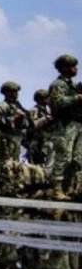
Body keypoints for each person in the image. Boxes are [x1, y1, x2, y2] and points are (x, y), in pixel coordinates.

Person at [47, 54, 80, 201]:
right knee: (63, 157)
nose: (76, 69)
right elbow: (58, 102)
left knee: (77, 159)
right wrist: (77, 98)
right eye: (73, 66)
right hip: (64, 125)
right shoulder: (58, 85)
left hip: (77, 124)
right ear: (64, 68)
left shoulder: (72, 85)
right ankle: (57, 189)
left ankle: (69, 187)